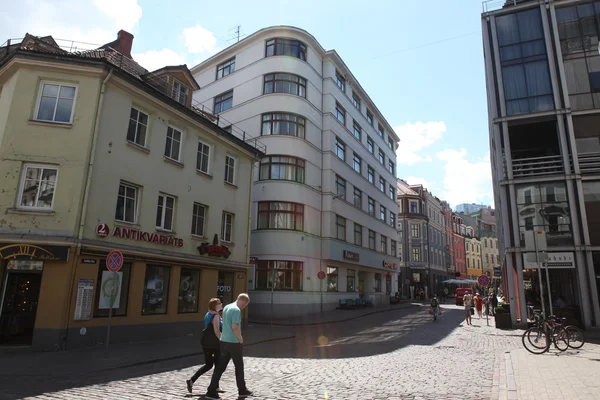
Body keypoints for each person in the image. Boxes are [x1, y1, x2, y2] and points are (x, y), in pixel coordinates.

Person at [205, 293, 252, 400]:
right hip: (234, 343)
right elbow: (235, 327)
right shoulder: (236, 310)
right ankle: (242, 390)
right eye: (245, 305)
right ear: (243, 301)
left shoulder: (226, 307)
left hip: (224, 341)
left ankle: (211, 391)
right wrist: (240, 339)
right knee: (239, 367)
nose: (244, 307)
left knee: (220, 368)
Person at [186, 298, 224, 394]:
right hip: (214, 345)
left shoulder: (208, 314)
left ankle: (192, 381)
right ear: (214, 305)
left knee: (210, 365)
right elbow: (216, 332)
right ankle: (214, 387)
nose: (221, 304)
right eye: (219, 303)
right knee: (217, 365)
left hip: (207, 344)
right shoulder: (215, 316)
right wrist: (223, 341)